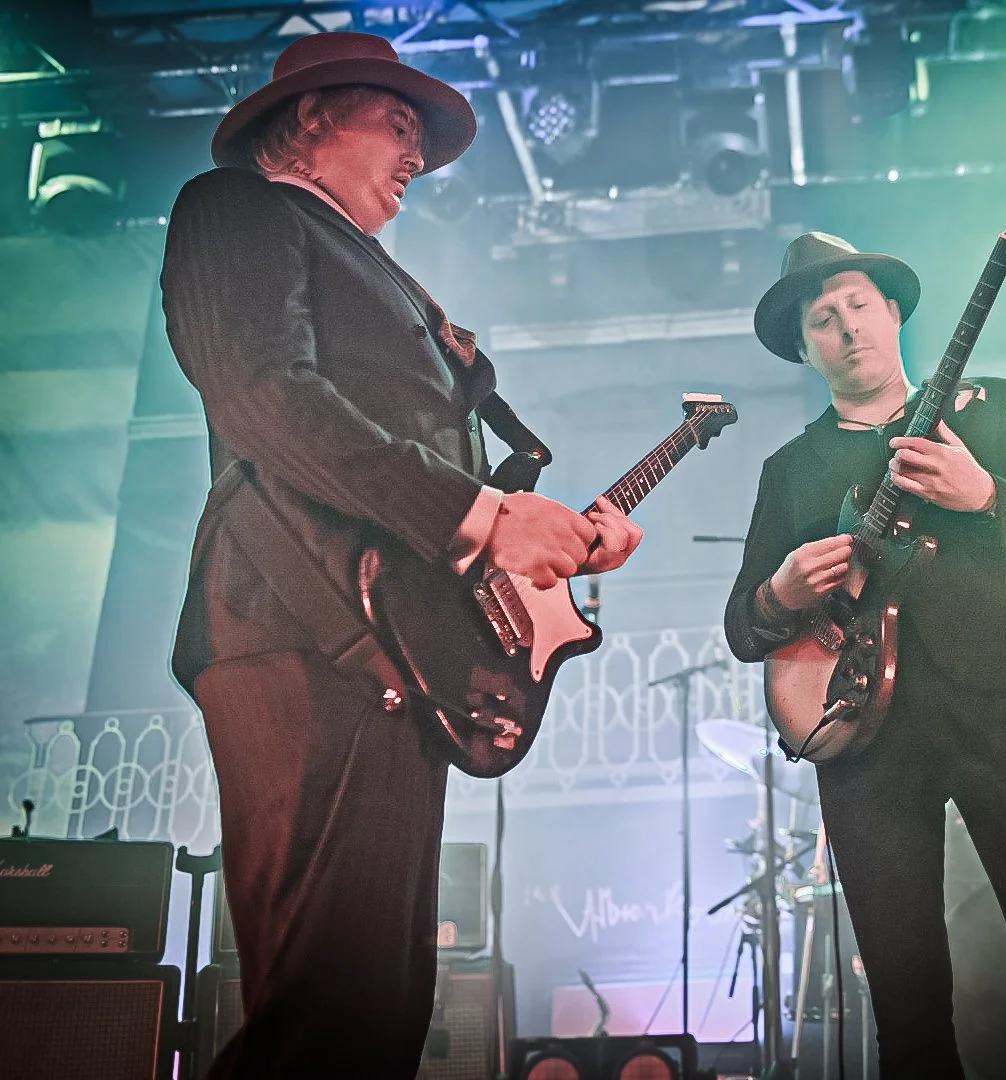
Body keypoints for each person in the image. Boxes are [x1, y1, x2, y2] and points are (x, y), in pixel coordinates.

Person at [161, 32, 642, 1079]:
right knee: (328, 1009)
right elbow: (263, 397)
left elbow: (411, 477)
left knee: (371, 1012)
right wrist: (483, 520)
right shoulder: (236, 208)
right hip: (301, 624)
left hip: (384, 634)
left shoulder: (381, 274)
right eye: (396, 120)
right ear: (311, 118)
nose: (416, 149)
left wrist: (538, 535)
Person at [724, 232, 1006, 1079]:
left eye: (856, 305)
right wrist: (779, 590)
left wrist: (985, 494)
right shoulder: (791, 469)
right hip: (862, 738)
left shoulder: (990, 407)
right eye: (822, 318)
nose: (845, 327)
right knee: (907, 1008)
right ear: (805, 349)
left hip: (1003, 705)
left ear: (890, 313)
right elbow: (744, 629)